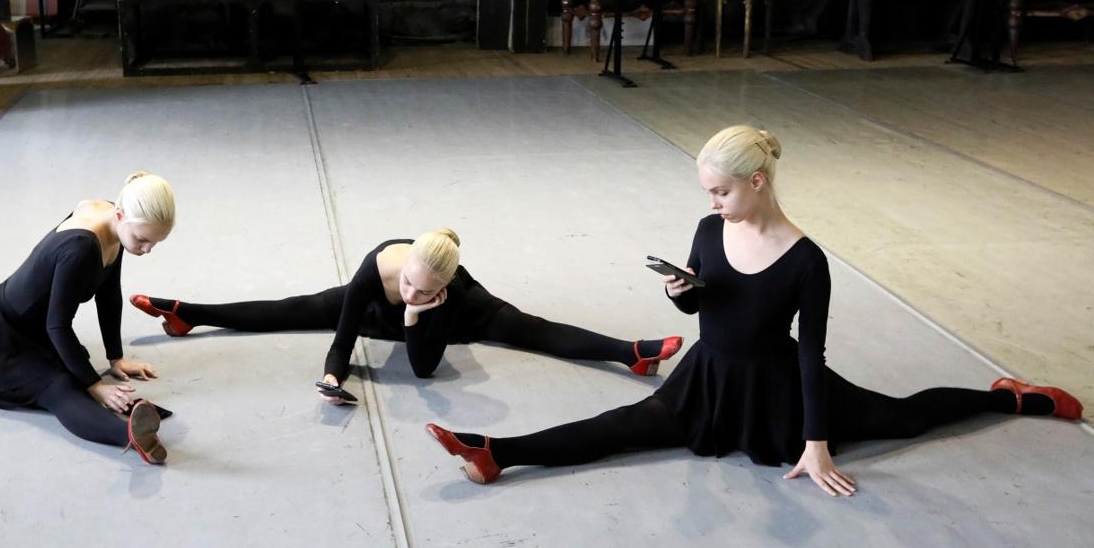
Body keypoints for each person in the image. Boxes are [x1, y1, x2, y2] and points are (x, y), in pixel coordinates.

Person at [426, 126, 1083, 493]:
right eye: (706, 192)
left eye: (720, 192)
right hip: (709, 377)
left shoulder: (806, 261)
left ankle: (1010, 398)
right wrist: (679, 294)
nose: (712, 204)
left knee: (905, 417)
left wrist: (817, 444)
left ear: (757, 182)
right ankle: (497, 452)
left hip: (781, 391)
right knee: (622, 424)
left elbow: (810, 353)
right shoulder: (710, 231)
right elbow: (704, 308)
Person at [129, 228, 683, 403]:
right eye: (410, 284)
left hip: (456, 319)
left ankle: (629, 353)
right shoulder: (379, 267)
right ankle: (188, 313)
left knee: (530, 330)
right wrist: (332, 374)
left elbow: (422, 371)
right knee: (294, 308)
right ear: (404, 266)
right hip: (375, 313)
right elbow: (344, 333)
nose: (414, 290)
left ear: (444, 283)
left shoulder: (451, 294)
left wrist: (420, 315)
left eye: (426, 288)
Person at [0, 172, 177, 464]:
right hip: (11, 336)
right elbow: (57, 325)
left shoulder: (113, 218)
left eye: (154, 243)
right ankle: (128, 436)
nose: (147, 250)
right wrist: (95, 385)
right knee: (58, 388)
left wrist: (115, 358)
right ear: (121, 215)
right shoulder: (81, 249)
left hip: (25, 313)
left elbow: (109, 294)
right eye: (143, 240)